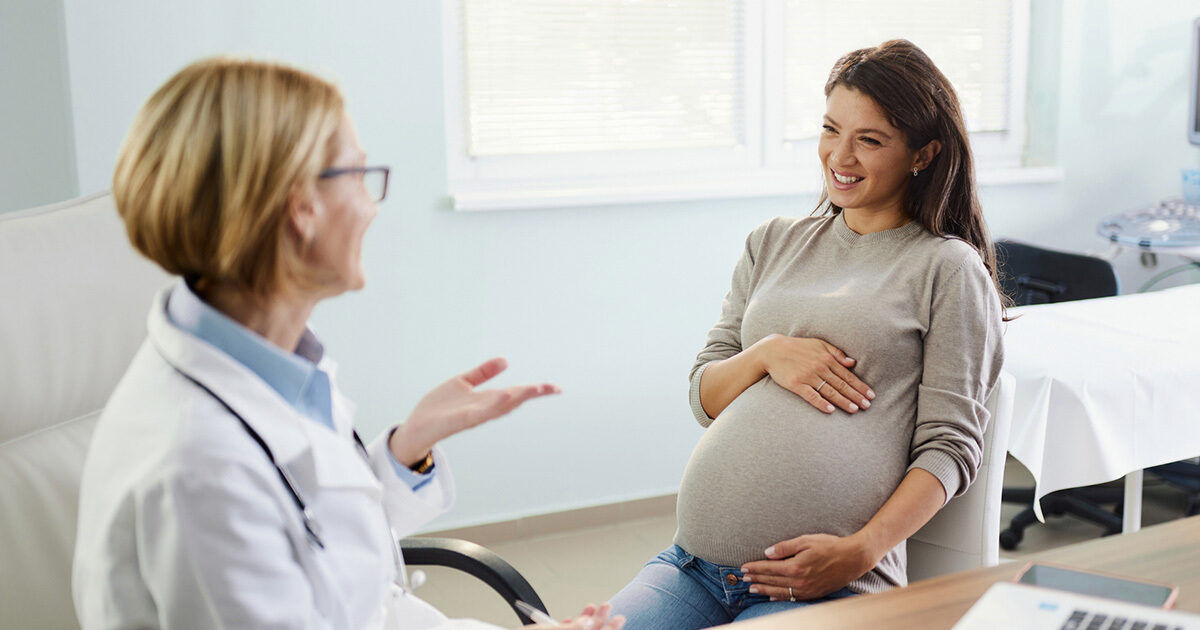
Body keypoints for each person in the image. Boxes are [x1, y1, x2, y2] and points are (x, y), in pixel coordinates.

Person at [71, 58, 624, 630]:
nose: (370, 207)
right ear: (301, 207)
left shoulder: (265, 358)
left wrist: (409, 447)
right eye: (359, 175)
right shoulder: (200, 470)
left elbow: (321, 547)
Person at [608, 39, 1006, 627]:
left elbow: (951, 447)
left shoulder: (945, 268)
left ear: (922, 153)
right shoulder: (772, 241)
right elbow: (705, 396)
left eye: (870, 140)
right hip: (692, 568)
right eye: (830, 129)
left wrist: (861, 552)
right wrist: (768, 354)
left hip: (834, 586)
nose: (839, 156)